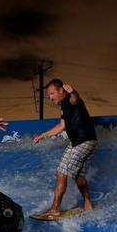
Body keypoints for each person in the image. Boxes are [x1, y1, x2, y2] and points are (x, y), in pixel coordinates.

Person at [32, 79, 97, 217]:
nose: (50, 97)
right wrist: (43, 135)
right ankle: (88, 203)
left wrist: (73, 92)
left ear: (61, 90)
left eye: (52, 93)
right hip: (79, 142)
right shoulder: (64, 106)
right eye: (49, 95)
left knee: (63, 173)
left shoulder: (70, 100)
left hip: (83, 141)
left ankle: (55, 209)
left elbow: (76, 98)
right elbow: (61, 126)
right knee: (76, 174)